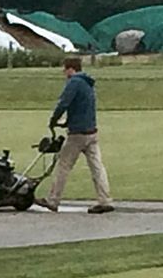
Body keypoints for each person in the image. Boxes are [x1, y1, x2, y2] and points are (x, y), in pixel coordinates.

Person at [36, 57, 115, 214]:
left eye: (65, 69)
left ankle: (53, 200)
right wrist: (66, 122)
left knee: (63, 165)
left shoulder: (74, 82)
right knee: (97, 167)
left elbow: (63, 103)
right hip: (91, 131)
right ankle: (105, 200)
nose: (64, 72)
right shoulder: (88, 83)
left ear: (71, 69)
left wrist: (54, 120)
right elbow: (81, 108)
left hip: (77, 134)